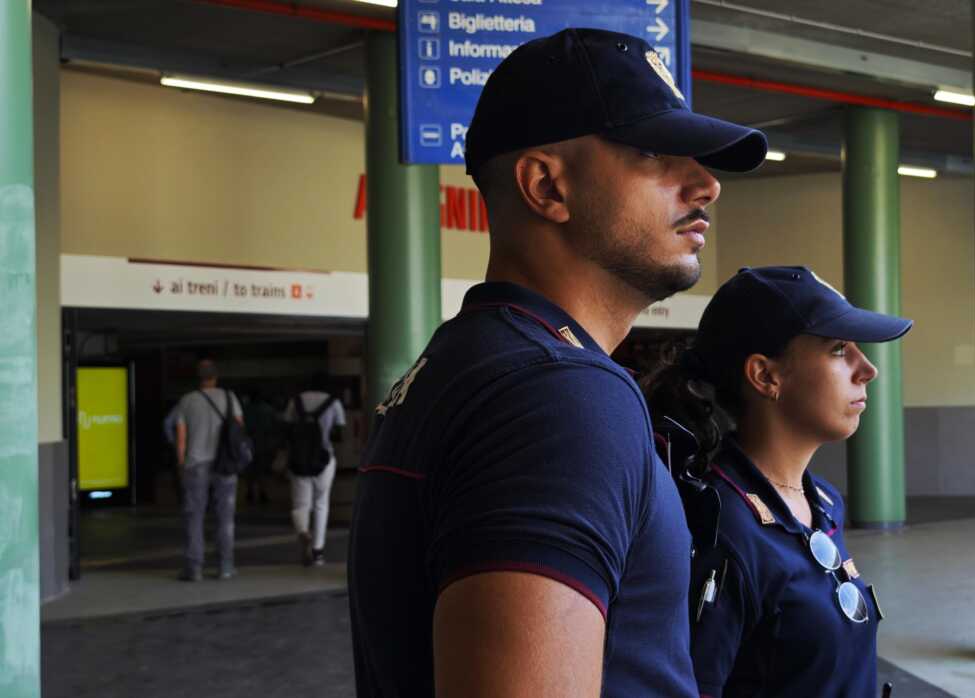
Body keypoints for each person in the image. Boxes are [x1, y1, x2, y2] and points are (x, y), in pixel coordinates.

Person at [348, 27, 766, 698]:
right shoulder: (557, 395)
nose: (706, 184)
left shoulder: (471, 362)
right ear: (546, 185)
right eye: (655, 152)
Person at [642, 266, 912, 698]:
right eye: (840, 349)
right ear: (765, 376)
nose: (868, 370)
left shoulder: (821, 501)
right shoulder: (723, 527)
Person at [175, 358, 244, 581]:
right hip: (225, 463)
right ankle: (225, 566)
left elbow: (181, 437)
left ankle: (194, 568)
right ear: (215, 377)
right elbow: (239, 429)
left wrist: (181, 464)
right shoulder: (230, 397)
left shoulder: (187, 401)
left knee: (194, 516)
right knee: (225, 516)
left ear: (198, 378)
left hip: (196, 464)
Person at [284, 372, 346, 567]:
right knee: (321, 504)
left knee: (300, 505)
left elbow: (287, 429)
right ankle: (318, 551)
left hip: (299, 460)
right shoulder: (334, 403)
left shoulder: (295, 402)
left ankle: (303, 531)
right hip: (324, 459)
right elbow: (339, 433)